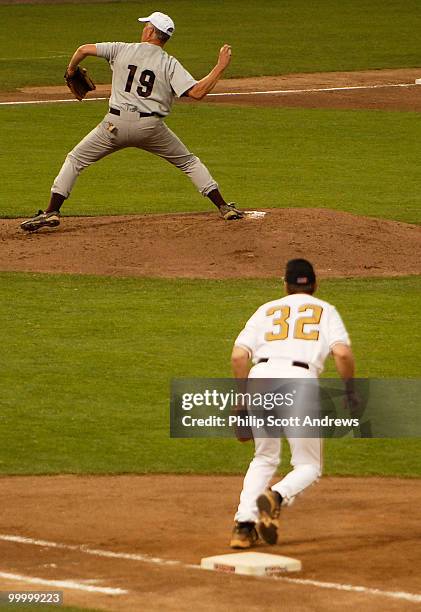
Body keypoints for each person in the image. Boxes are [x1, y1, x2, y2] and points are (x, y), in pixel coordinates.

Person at [21, 11, 243, 232]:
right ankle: (224, 207)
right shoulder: (169, 63)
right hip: (151, 129)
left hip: (113, 126)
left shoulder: (122, 49)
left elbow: (83, 50)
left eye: (146, 25)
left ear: (150, 31)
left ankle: (51, 211)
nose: (143, 28)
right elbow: (197, 92)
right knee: (188, 162)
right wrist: (220, 67)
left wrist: (71, 71)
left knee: (75, 159)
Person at [229, 258, 356, 549]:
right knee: (309, 465)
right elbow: (343, 354)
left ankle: (243, 526)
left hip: (260, 378)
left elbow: (238, 356)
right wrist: (350, 391)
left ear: (285, 285)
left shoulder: (265, 310)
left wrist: (242, 398)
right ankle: (277, 496)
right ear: (315, 284)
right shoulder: (326, 310)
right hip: (300, 381)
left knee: (264, 458)